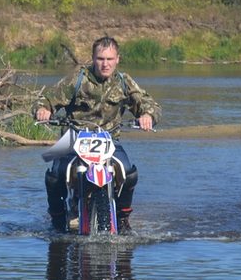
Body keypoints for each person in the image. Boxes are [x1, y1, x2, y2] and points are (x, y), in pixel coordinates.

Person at [34, 36, 160, 233]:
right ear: (93, 58)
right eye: (101, 58)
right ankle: (57, 219)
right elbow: (46, 98)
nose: (105, 64)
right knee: (54, 175)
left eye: (110, 59)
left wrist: (147, 115)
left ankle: (123, 217)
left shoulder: (124, 82)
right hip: (73, 136)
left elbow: (149, 104)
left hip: (109, 138)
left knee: (129, 173)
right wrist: (43, 109)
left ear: (117, 59)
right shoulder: (77, 78)